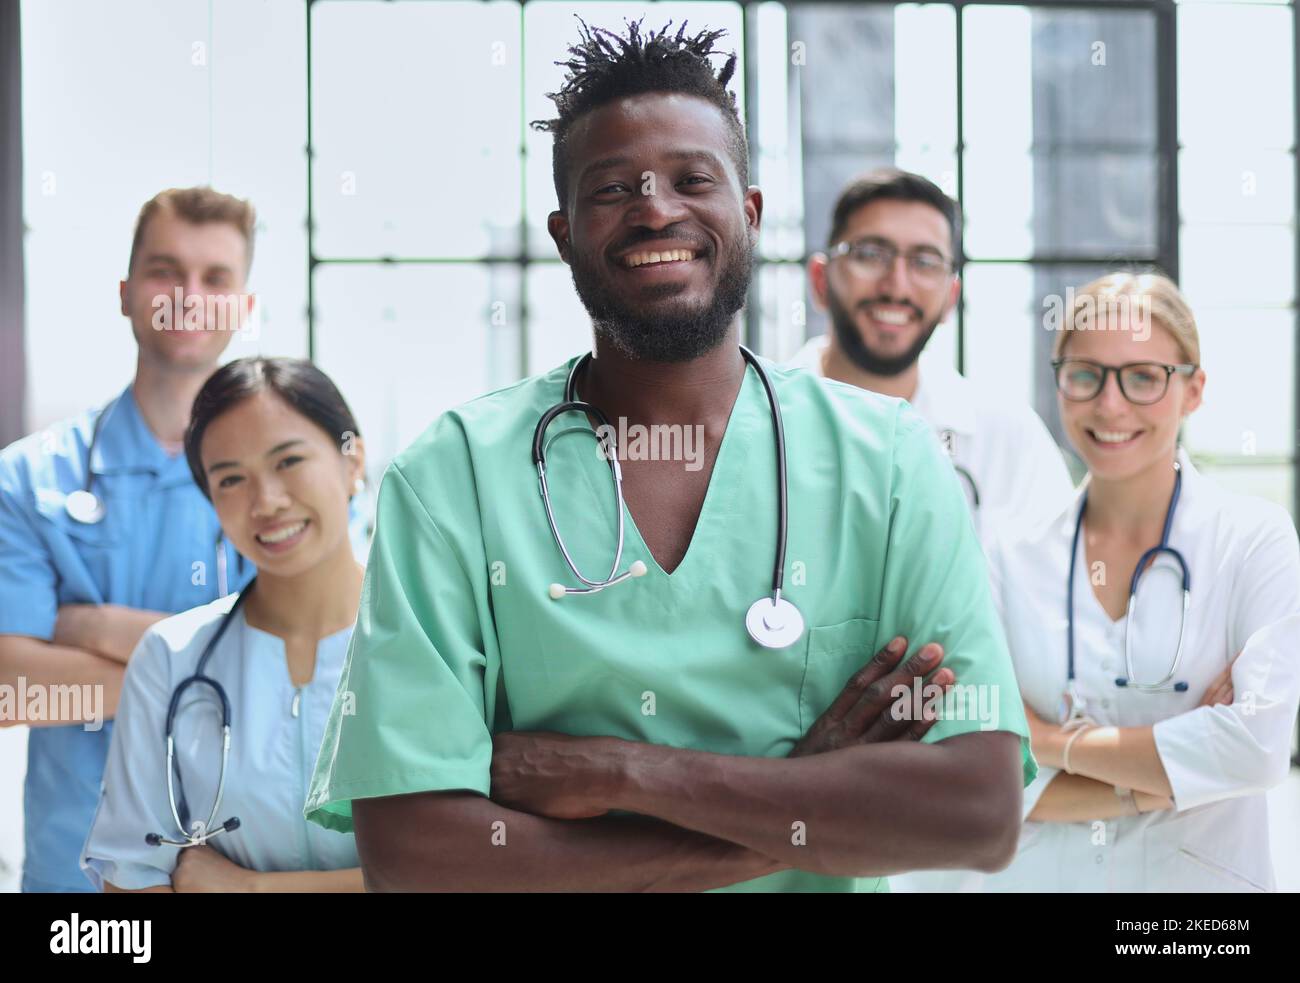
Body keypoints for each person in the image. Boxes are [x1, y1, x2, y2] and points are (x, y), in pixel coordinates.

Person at [303, 18, 1034, 893]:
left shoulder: (888, 461)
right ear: (564, 231)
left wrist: (619, 772)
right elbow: (416, 852)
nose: (656, 208)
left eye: (694, 178)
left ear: (750, 213)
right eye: (612, 189)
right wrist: (799, 806)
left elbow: (978, 811)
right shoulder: (454, 476)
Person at [978, 272, 1299, 891]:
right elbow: (985, 772)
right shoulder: (1007, 551)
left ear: (1194, 390)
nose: (1110, 404)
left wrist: (1047, 740)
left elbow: (1256, 751)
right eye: (1086, 374)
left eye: (1144, 376)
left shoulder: (1253, 539)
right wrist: (1171, 778)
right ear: (1060, 385)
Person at [0, 187, 260, 892]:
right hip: (75, 888)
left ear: (244, 306)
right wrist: (216, 671)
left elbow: (305, 664)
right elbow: (11, 687)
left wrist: (88, 626)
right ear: (124, 292)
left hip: (242, 872)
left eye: (216, 279)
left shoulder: (286, 480)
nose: (187, 296)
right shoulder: (29, 477)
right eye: (165, 270)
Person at [80, 358, 367, 892]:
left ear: (354, 462)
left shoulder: (440, 641)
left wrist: (251, 889)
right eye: (231, 478)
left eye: (289, 461)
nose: (267, 502)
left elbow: (473, 873)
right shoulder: (170, 657)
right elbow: (131, 881)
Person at [790, 168, 1073, 538]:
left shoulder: (1007, 438)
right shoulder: (758, 422)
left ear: (950, 299)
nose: (897, 286)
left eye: (924, 262)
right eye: (871, 255)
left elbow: (1056, 583)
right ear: (820, 280)